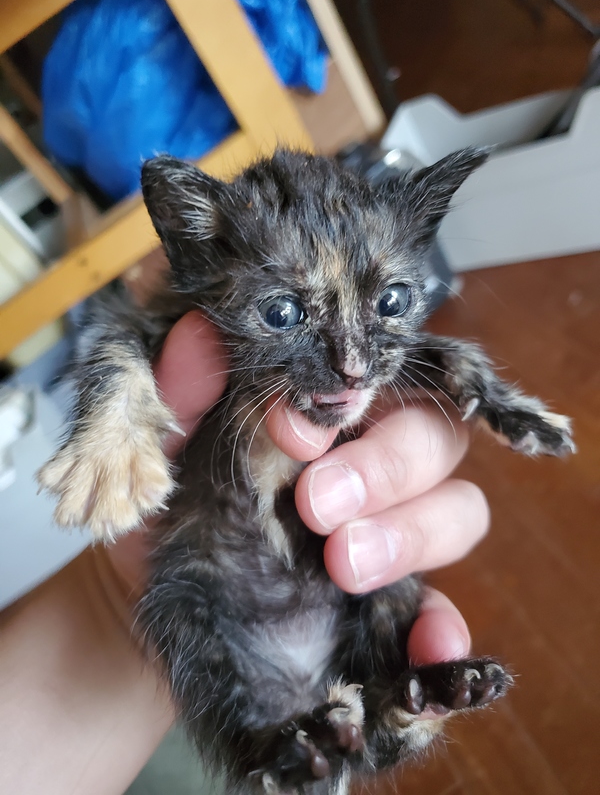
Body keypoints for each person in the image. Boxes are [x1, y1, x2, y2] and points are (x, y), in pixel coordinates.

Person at [0, 312, 489, 795]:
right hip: (226, 620)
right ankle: (361, 727)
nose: (351, 364)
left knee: (381, 593)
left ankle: (375, 720)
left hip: (253, 621)